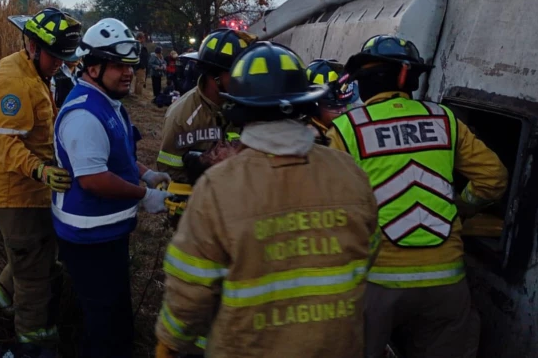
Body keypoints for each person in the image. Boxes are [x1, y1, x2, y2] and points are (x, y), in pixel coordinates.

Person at [154, 41, 380, 357]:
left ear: (241, 109)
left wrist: (170, 341)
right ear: (306, 104)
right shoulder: (350, 173)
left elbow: (190, 288)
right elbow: (368, 252)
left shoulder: (219, 186)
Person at [326, 35, 509, 358]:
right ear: (408, 78)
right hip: (446, 281)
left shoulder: (345, 129)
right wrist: (461, 206)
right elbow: (493, 179)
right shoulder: (444, 120)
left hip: (376, 283)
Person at [51, 17, 174, 357]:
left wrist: (145, 172)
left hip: (107, 233)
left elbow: (114, 153)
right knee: (104, 325)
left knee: (116, 312)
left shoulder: (106, 102)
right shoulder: (84, 114)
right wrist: (144, 195)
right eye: (117, 65)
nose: (128, 72)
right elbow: (92, 178)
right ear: (92, 68)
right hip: (89, 238)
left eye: (130, 65)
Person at [0, 8, 82, 356]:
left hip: (30, 188)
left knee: (32, 252)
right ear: (33, 45)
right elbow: (5, 143)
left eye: (65, 58)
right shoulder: (14, 81)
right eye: (56, 56)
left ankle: (2, 300)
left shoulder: (34, 71)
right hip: (15, 192)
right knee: (35, 274)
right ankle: (35, 341)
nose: (60, 64)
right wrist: (41, 171)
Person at [156, 29, 255, 185]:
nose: (244, 80)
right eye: (237, 74)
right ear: (213, 76)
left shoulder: (247, 106)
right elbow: (168, 170)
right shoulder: (183, 115)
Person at [305, 58, 359, 145]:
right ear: (314, 106)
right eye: (334, 107)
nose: (342, 111)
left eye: (346, 104)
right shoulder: (303, 138)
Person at [135, 31, 149, 97]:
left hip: (138, 66)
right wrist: (143, 66)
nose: (144, 39)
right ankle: (139, 95)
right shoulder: (139, 46)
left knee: (138, 80)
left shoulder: (137, 45)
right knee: (141, 81)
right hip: (140, 66)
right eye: (143, 38)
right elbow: (141, 57)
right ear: (140, 38)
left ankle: (136, 93)